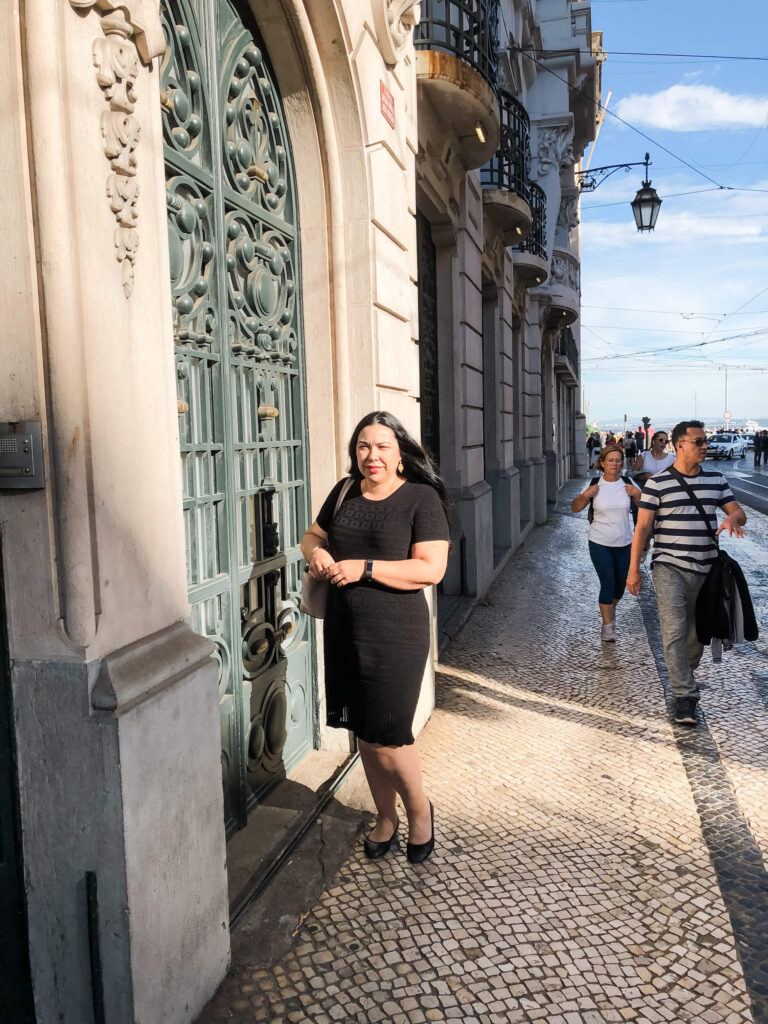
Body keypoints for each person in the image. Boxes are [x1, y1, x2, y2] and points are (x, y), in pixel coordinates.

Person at [300, 411, 451, 864]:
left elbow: (431, 568)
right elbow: (310, 537)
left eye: (383, 446)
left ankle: (420, 812)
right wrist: (320, 552)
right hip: (346, 630)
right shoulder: (345, 491)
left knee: (390, 735)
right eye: (364, 446)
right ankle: (386, 817)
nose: (372, 455)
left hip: (396, 635)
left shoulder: (421, 499)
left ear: (400, 452)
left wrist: (365, 567)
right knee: (364, 734)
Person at [626, 420, 747, 726]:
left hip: (707, 570)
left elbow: (738, 511)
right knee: (674, 631)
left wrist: (733, 518)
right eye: (699, 441)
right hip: (668, 566)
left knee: (697, 634)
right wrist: (634, 570)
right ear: (679, 445)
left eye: (705, 441)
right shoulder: (657, 484)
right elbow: (642, 528)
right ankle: (685, 697)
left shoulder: (716, 480)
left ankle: (685, 674)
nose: (705, 446)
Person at [571, 444, 641, 642]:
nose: (614, 464)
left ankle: (609, 611)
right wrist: (586, 495)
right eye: (610, 460)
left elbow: (645, 508)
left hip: (624, 542)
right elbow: (575, 508)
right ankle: (607, 625)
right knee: (608, 583)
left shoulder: (628, 484)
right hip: (599, 541)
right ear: (602, 462)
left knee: (619, 586)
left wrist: (637, 495)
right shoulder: (594, 484)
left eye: (618, 460)